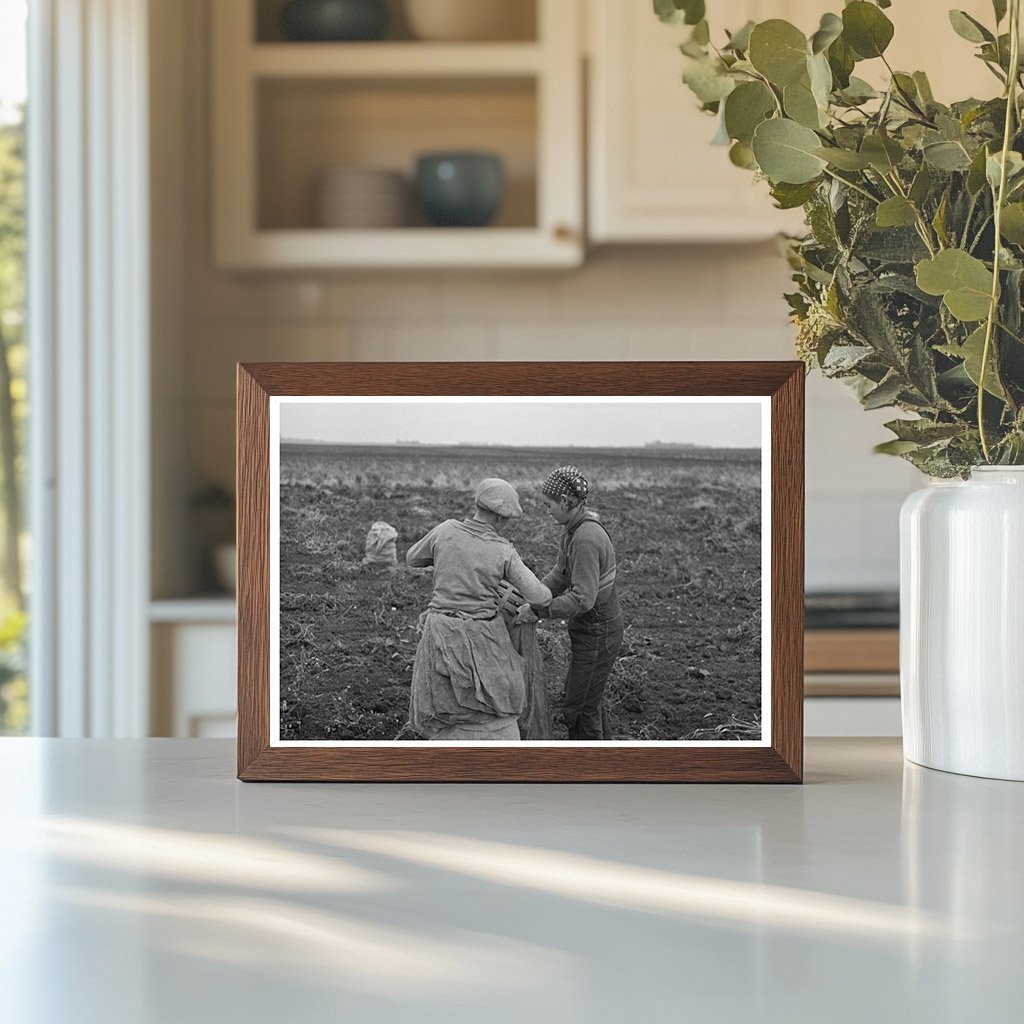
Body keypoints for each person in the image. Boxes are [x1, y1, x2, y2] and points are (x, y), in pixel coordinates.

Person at [405, 478, 552, 741]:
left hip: (440, 630)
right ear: (500, 518)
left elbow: (413, 558)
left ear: (477, 505)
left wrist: (445, 558)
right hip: (484, 635)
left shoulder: (445, 530)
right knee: (496, 698)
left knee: (442, 699)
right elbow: (539, 596)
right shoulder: (503, 550)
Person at [516, 465, 623, 740]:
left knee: (578, 708)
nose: (547, 510)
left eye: (549, 504)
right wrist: (533, 593)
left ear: (565, 501)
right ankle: (608, 759)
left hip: (599, 632)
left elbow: (583, 599)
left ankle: (588, 770)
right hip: (591, 630)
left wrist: (539, 610)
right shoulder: (572, 530)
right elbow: (560, 574)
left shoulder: (585, 538)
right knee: (589, 701)